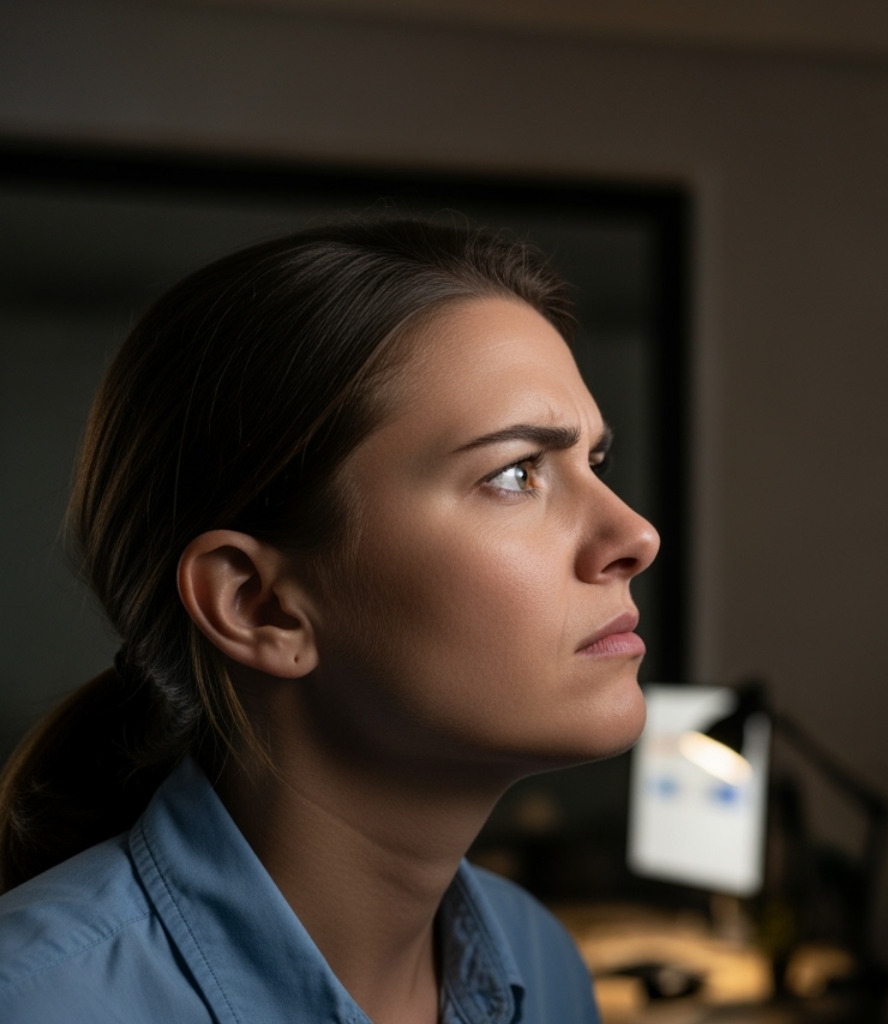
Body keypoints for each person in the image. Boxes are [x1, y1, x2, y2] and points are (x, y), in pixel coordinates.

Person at [0, 218, 660, 1024]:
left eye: (594, 462)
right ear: (259, 605)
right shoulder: (35, 1001)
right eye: (517, 472)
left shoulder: (543, 967)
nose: (635, 536)